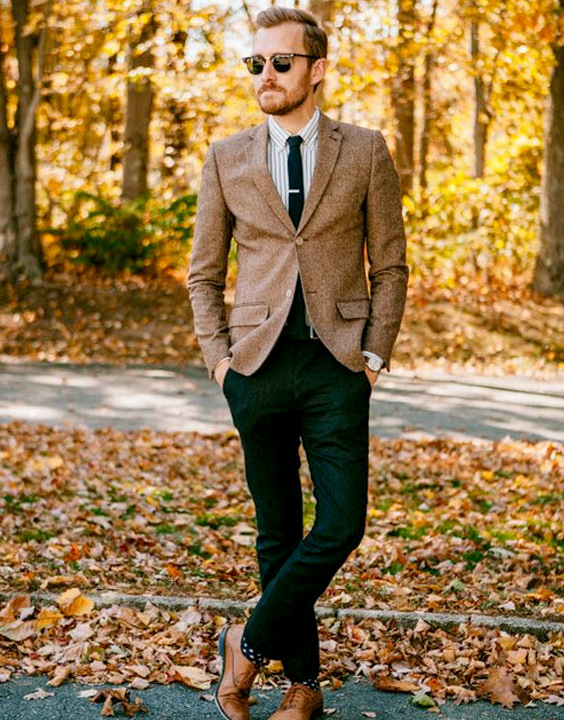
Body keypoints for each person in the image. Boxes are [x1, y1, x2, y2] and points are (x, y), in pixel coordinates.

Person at [188, 7, 408, 720]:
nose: (266, 76)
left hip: (336, 363)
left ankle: (244, 644)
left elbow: (393, 265)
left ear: (316, 69)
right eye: (256, 63)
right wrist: (219, 362)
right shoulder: (226, 156)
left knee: (342, 522)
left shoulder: (366, 150)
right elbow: (202, 275)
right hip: (253, 366)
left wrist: (373, 354)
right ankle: (304, 686)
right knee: (278, 531)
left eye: (281, 62)